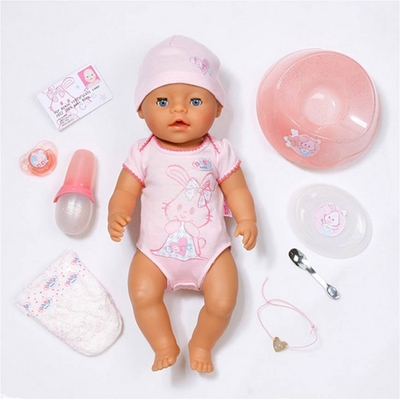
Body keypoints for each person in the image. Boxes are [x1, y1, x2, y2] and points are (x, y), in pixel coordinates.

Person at [108, 35, 257, 373]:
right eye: (162, 101)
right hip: (154, 254)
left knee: (223, 302)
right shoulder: (143, 153)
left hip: (212, 253)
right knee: (142, 294)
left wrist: (247, 219)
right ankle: (163, 344)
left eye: (195, 101)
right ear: (141, 109)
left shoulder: (218, 152)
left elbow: (237, 190)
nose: (178, 109)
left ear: (218, 109)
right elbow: (124, 190)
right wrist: (118, 212)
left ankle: (202, 342)